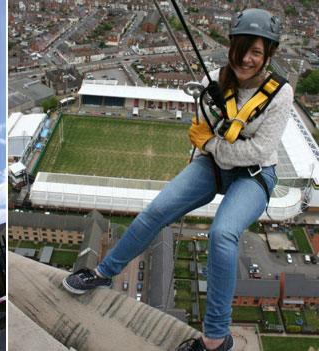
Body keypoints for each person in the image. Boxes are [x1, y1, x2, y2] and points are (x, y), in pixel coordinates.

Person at [62, 8, 291, 351]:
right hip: (211, 164)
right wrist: (214, 144)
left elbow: (258, 151)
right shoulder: (210, 82)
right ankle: (103, 273)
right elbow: (199, 133)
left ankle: (216, 338)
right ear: (231, 46)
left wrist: (214, 144)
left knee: (222, 233)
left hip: (254, 176)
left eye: (256, 52)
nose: (246, 58)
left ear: (268, 54)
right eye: (241, 48)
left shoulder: (280, 94)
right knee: (156, 211)